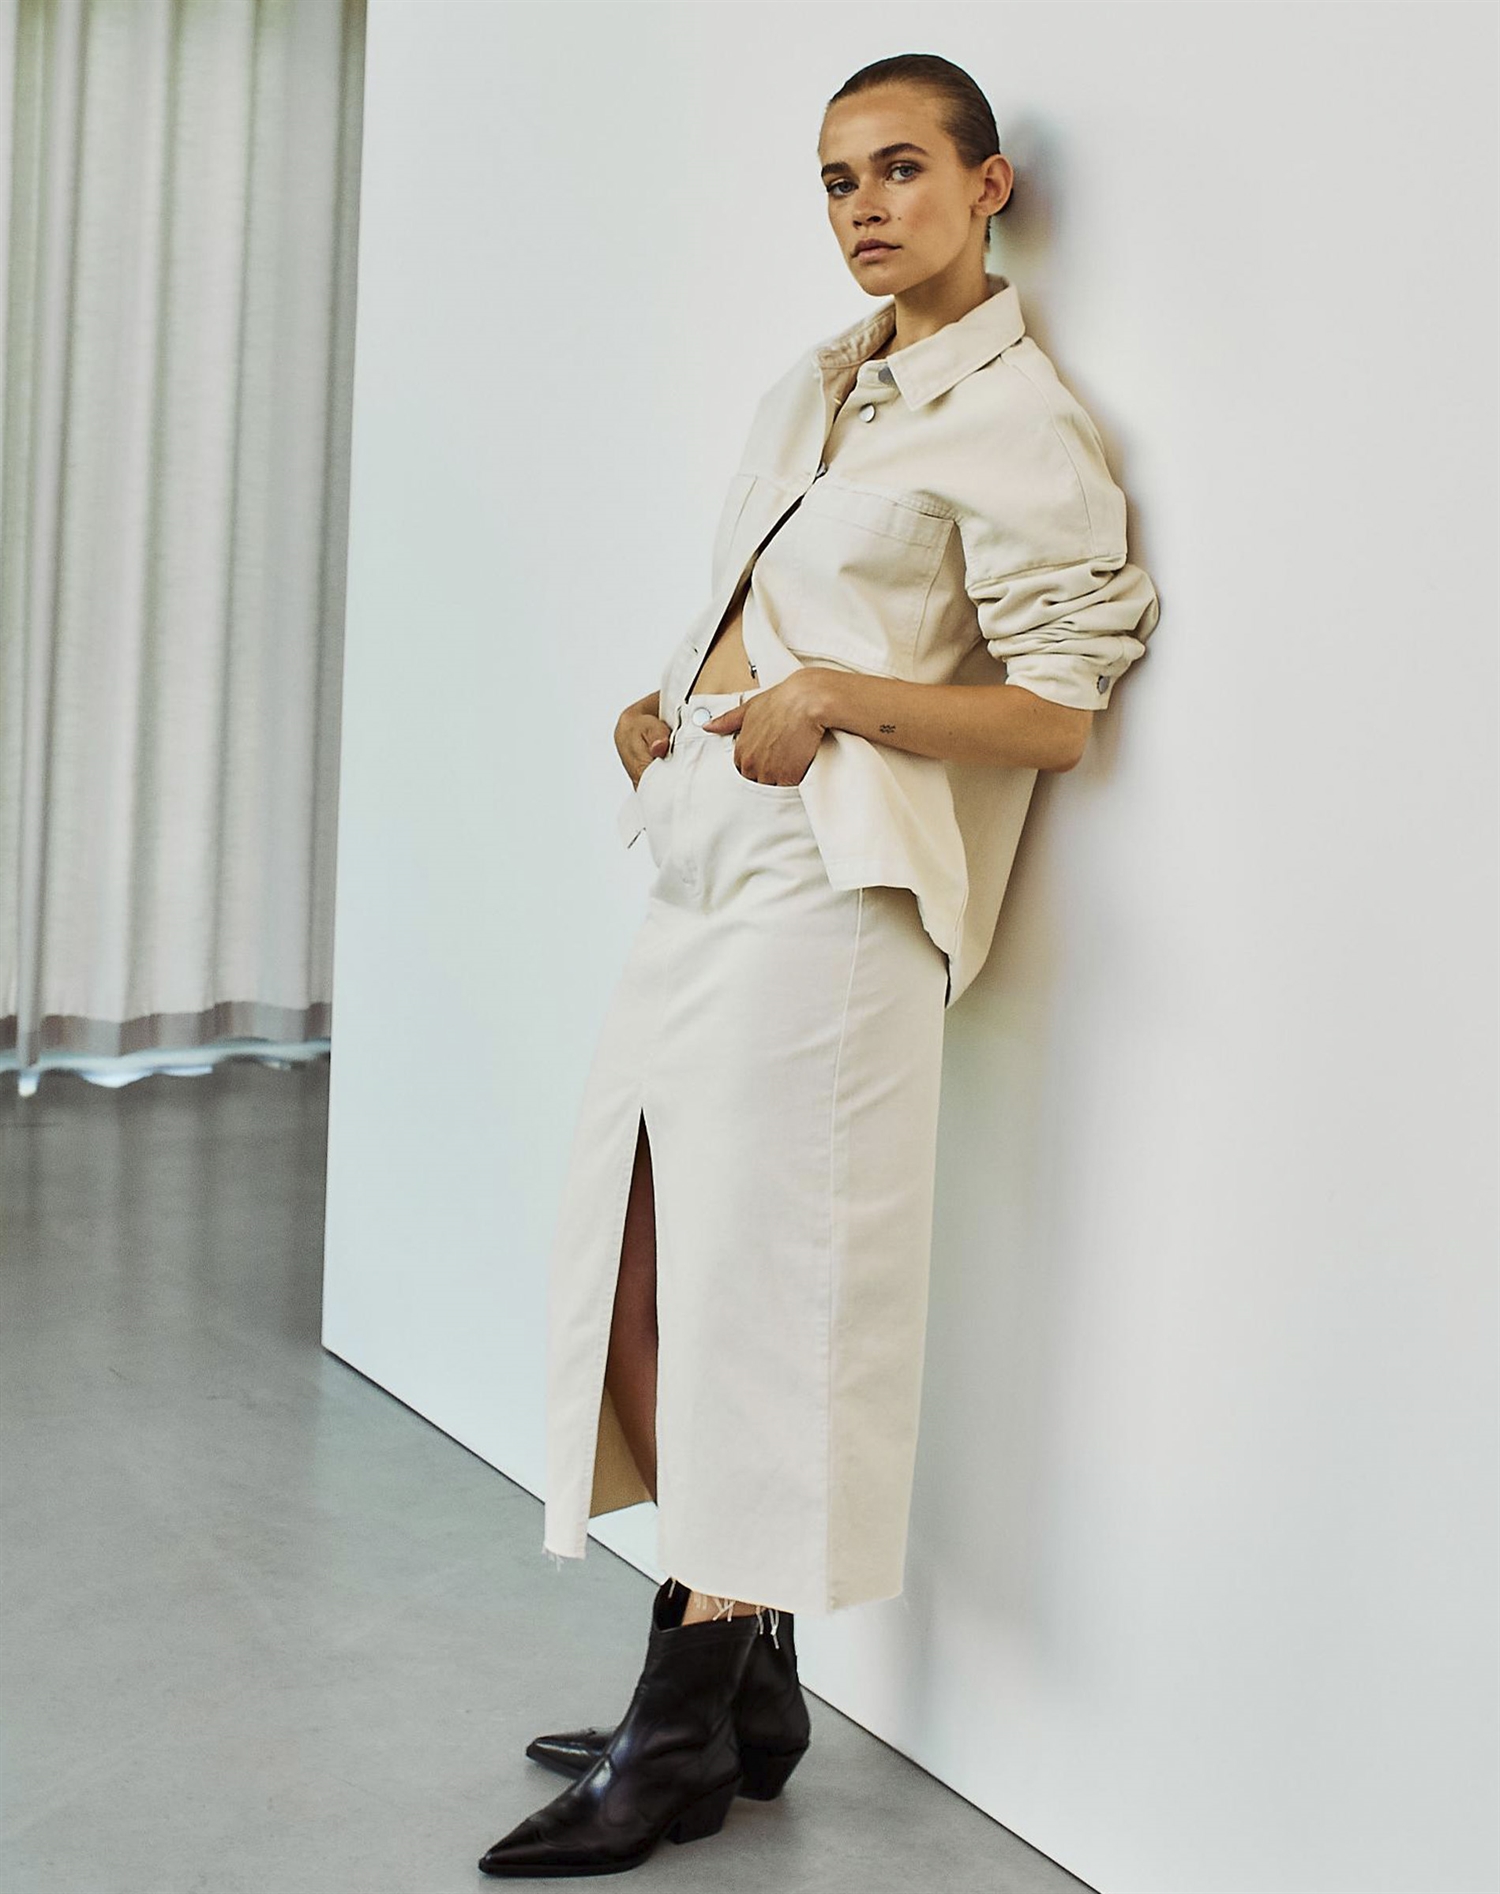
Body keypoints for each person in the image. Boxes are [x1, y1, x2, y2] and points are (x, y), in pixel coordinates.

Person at [478, 50, 1160, 1879]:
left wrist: (841, 699)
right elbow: (765, 606)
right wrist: (667, 701)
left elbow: (1058, 712)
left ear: (989, 186)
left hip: (836, 902)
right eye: (840, 179)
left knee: (759, 1298)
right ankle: (752, 1685)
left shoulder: (1023, 425)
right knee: (640, 1253)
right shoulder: (822, 383)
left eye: (903, 169)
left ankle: (678, 1725)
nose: (866, 207)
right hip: (711, 861)